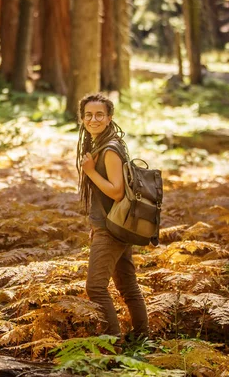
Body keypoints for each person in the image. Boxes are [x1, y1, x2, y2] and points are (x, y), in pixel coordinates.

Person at [76, 93, 149, 339]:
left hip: (112, 228)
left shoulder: (109, 149)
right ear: (82, 118)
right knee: (127, 286)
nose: (93, 119)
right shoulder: (102, 144)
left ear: (109, 118)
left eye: (99, 114)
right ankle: (142, 338)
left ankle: (112, 346)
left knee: (95, 288)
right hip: (113, 224)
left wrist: (90, 172)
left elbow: (117, 192)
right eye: (88, 114)